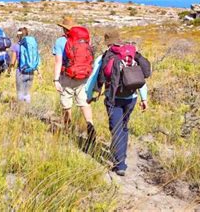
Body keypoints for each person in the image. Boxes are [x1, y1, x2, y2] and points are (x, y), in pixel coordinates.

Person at [94, 31, 151, 176]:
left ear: (108, 42)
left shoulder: (106, 56)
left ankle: (120, 164)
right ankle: (121, 156)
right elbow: (141, 78)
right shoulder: (131, 55)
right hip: (131, 97)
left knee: (116, 128)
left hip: (113, 98)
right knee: (123, 127)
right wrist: (144, 98)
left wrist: (90, 95)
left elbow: (95, 76)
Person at [53, 16, 96, 150]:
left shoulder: (60, 41)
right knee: (84, 103)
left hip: (67, 77)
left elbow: (58, 62)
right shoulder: (84, 39)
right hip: (83, 76)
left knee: (66, 104)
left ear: (64, 28)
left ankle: (68, 129)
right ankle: (90, 126)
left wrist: (55, 79)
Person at [8, 27, 40, 104]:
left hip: (21, 71)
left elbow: (12, 62)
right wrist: (38, 72)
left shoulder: (16, 46)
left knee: (20, 92)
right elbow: (36, 58)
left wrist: (9, 70)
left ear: (18, 35)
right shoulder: (32, 45)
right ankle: (27, 108)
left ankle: (20, 109)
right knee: (27, 92)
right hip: (31, 71)